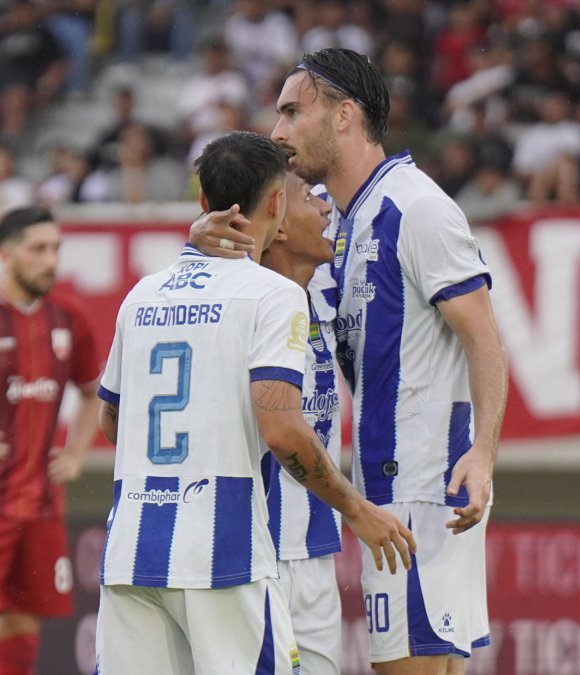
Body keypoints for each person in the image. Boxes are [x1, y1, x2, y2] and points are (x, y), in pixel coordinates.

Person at [192, 48, 508, 674]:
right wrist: (202, 237)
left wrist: (484, 453)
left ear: (343, 115)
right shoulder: (342, 224)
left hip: (420, 490)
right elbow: (266, 274)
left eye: (291, 112)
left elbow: (485, 337)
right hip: (385, 496)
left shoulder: (415, 208)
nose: (278, 132)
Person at [94, 131, 415, 674]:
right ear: (276, 207)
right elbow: (283, 431)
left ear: (202, 204)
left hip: (131, 549)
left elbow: (113, 421)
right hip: (225, 553)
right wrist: (359, 511)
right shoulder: (273, 296)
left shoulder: (142, 293)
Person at [0, 206, 101, 675]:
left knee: (23, 620)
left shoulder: (69, 317)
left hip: (40, 504)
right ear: (7, 254)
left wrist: (78, 452)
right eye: (37, 249)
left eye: (56, 249)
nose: (50, 260)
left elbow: (91, 391)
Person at [259, 172, 344, 675]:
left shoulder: (320, 295)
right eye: (310, 199)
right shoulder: (247, 302)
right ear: (279, 224)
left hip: (315, 546)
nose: (326, 207)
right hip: (256, 552)